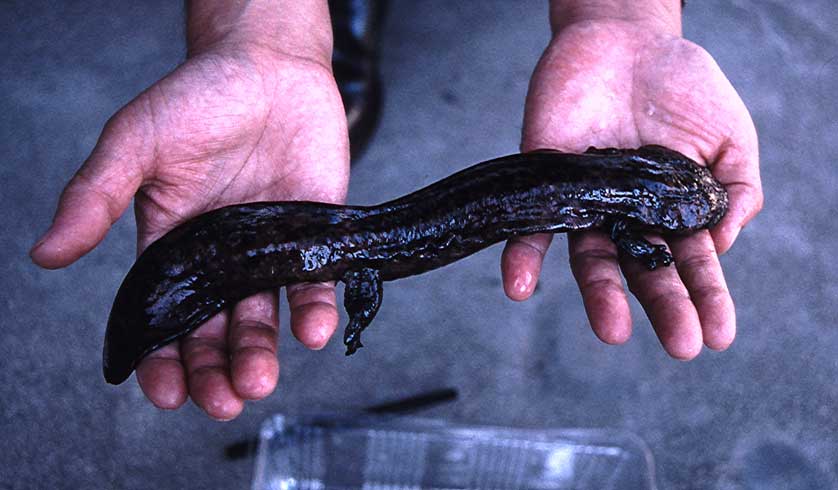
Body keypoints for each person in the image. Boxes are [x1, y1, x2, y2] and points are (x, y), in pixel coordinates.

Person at [29, 0, 762, 421]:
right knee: (361, 250)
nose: (704, 200)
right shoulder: (632, 210)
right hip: (380, 244)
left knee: (358, 249)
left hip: (378, 242)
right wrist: (259, 28)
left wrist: (624, 16)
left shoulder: (624, 184)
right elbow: (640, 237)